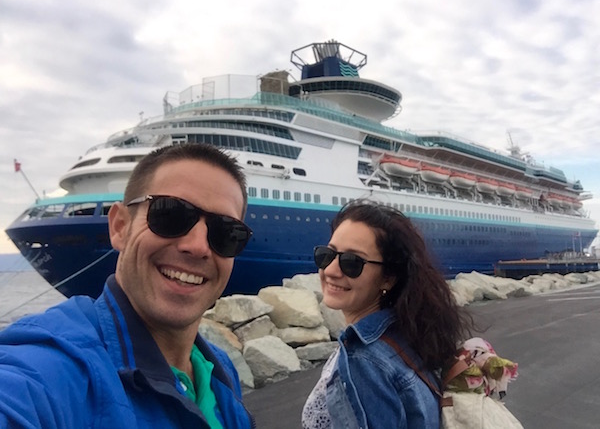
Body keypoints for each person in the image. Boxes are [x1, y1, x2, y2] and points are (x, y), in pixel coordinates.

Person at [0, 144, 255, 428]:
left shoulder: (218, 368)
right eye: (170, 215)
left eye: (226, 233)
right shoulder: (55, 369)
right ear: (120, 226)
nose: (198, 246)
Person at [302, 200, 473, 429]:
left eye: (352, 262)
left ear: (388, 278)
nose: (331, 270)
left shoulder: (363, 360)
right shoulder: (406, 335)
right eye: (327, 254)